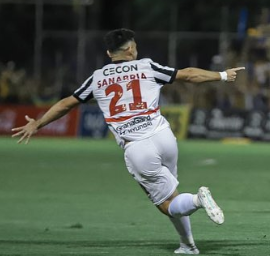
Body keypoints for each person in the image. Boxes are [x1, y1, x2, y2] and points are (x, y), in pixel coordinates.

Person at [12, 29, 246, 254]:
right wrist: (222, 75)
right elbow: (187, 74)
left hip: (137, 146)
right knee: (171, 194)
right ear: (131, 49)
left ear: (109, 54)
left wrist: (38, 123)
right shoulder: (147, 66)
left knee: (167, 205)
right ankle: (188, 246)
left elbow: (67, 103)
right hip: (164, 136)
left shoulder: (97, 78)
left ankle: (198, 199)